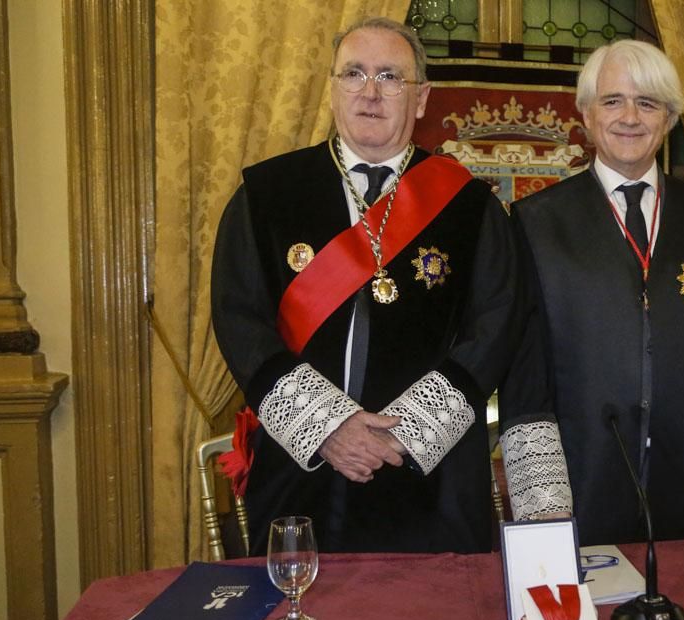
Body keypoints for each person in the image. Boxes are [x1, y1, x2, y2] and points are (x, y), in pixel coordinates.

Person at [211, 17, 570, 555]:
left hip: (433, 478)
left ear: (421, 98)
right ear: (332, 89)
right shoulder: (267, 195)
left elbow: (497, 325)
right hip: (302, 471)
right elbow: (240, 318)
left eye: (390, 77)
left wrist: (400, 434)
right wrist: (329, 428)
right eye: (354, 73)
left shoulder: (471, 207)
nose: (371, 91)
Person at [503, 40, 684, 550]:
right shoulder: (536, 224)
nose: (630, 117)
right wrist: (543, 499)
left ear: (669, 118)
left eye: (647, 103)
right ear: (585, 113)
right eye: (612, 101)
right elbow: (523, 366)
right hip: (578, 488)